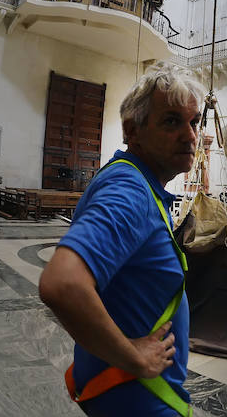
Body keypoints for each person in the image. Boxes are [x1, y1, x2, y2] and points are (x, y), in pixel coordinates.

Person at [39, 64, 205, 417]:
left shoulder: (135, 181)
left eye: (195, 122)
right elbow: (62, 284)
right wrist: (134, 356)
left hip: (123, 392)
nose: (191, 136)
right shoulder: (130, 191)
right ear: (133, 131)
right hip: (141, 400)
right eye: (172, 121)